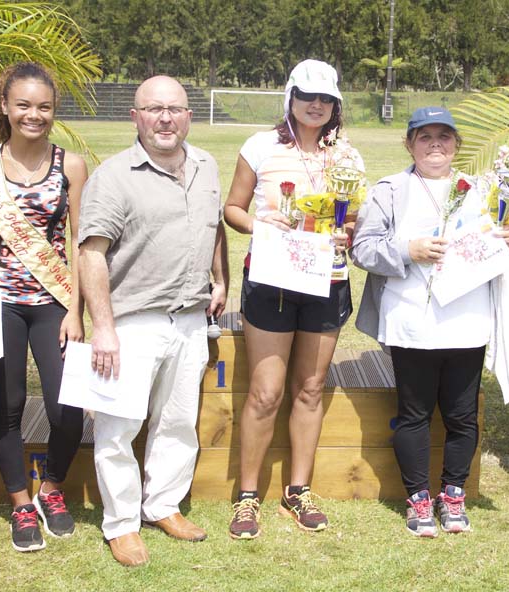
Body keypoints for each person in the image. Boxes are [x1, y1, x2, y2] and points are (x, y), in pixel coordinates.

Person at [351, 107, 509, 537]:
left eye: (444, 137)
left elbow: (507, 243)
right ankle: (418, 499)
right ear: (409, 143)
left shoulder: (482, 190)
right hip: (411, 321)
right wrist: (407, 249)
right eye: (425, 136)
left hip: (467, 322)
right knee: (413, 414)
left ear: (457, 145)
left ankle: (453, 494)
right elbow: (362, 249)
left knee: (462, 416)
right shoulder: (390, 190)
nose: (435, 144)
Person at [79, 75, 228, 567]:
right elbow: (92, 255)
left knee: (178, 420)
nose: (165, 118)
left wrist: (220, 279)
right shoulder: (114, 176)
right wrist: (102, 327)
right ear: (135, 117)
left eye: (175, 109)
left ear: (189, 115)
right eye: (153, 109)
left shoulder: (206, 166)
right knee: (119, 428)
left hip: (190, 317)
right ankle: (121, 525)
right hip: (133, 321)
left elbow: (214, 229)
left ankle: (162, 504)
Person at [222, 59, 362, 539]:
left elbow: (353, 221)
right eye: (307, 97)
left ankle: (297, 490)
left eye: (326, 99)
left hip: (328, 280)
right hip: (273, 278)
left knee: (310, 389)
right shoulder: (260, 145)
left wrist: (347, 233)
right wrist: (260, 224)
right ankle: (246, 497)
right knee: (266, 392)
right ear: (290, 97)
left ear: (335, 104)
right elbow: (232, 209)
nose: (316, 106)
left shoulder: (348, 155)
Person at [0, 62, 88, 552]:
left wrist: (77, 309)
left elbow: (81, 240)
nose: (33, 115)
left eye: (44, 107)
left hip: (54, 301)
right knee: (9, 404)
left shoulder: (72, 165)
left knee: (68, 408)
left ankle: (52, 489)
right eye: (23, 106)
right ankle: (20, 502)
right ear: (4, 106)